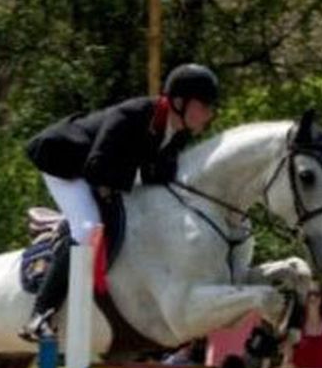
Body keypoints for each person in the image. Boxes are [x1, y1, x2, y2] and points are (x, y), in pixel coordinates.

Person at [19, 63, 221, 341]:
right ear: (178, 102)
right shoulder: (133, 115)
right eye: (205, 106)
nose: (210, 114)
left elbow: (155, 173)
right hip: (64, 161)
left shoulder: (178, 132)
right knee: (88, 228)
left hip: (101, 173)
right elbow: (97, 166)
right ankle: (40, 314)